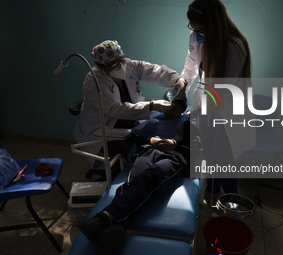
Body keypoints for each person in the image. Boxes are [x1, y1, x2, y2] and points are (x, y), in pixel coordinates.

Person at [77, 91, 201, 254]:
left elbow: (196, 149)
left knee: (152, 175)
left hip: (173, 157)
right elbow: (139, 137)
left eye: (174, 108)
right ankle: (117, 226)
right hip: (147, 152)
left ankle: (104, 218)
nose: (169, 112)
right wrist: (150, 140)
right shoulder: (155, 119)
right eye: (167, 108)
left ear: (184, 108)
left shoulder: (188, 124)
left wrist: (175, 145)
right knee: (134, 179)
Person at [73, 40, 187, 178]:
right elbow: (115, 109)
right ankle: (118, 185)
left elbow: (157, 71)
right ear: (101, 66)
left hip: (130, 124)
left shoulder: (130, 65)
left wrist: (179, 80)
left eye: (121, 61)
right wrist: (152, 106)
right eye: (113, 65)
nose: (119, 66)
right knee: (127, 159)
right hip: (102, 129)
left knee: (141, 152)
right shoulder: (94, 81)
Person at [180, 0, 256, 195]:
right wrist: (180, 86)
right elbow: (189, 68)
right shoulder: (196, 37)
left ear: (213, 26)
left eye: (201, 31)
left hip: (227, 109)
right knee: (210, 152)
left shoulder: (235, 47)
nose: (197, 34)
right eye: (193, 29)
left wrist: (194, 112)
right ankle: (211, 192)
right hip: (208, 104)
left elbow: (224, 91)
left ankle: (232, 201)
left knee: (224, 157)